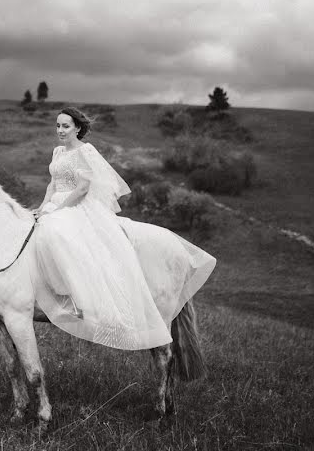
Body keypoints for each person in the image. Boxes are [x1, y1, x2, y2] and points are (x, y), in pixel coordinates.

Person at [30, 107, 216, 350]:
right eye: (57, 125)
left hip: (77, 206)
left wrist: (59, 210)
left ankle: (76, 299)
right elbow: (52, 185)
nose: (60, 130)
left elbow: (83, 188)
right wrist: (42, 207)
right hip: (55, 204)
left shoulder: (85, 151)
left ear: (77, 128)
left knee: (58, 235)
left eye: (65, 126)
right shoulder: (57, 152)